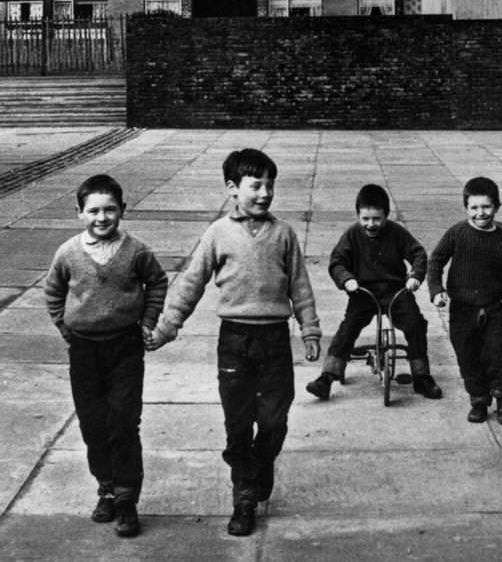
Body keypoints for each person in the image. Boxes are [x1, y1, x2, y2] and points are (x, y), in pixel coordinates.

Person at [145, 148, 320, 537]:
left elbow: (301, 287)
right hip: (234, 341)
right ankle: (244, 498)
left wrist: (309, 329)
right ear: (232, 189)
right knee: (238, 424)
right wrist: (166, 328)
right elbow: (190, 284)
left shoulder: (284, 234)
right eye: (256, 185)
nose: (264, 193)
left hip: (274, 339)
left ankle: (258, 468)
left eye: (270, 186)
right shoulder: (218, 234)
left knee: (274, 421)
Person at [44, 173, 168, 538]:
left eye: (110, 210)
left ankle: (127, 498)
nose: (102, 218)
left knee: (124, 421)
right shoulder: (68, 252)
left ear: (122, 211)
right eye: (93, 210)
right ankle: (107, 489)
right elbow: (52, 291)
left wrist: (148, 321)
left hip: (125, 348)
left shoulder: (137, 251)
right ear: (80, 213)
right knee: (93, 424)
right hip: (83, 350)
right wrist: (65, 328)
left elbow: (158, 282)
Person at [306, 182, 442, 401]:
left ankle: (421, 376)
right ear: (358, 215)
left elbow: (418, 254)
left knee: (415, 324)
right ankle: (327, 376)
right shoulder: (352, 235)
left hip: (395, 290)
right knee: (348, 327)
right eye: (365, 219)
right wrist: (347, 279)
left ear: (387, 216)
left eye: (377, 219)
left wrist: (415, 276)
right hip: (363, 293)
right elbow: (337, 262)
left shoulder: (396, 233)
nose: (371, 224)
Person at [428, 175, 502, 425]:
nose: (481, 213)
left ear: (497, 207)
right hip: (462, 310)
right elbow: (435, 261)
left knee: (498, 353)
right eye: (474, 207)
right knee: (467, 354)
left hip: (494, 308)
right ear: (466, 207)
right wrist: (436, 290)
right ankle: (478, 399)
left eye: (486, 207)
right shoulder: (457, 233)